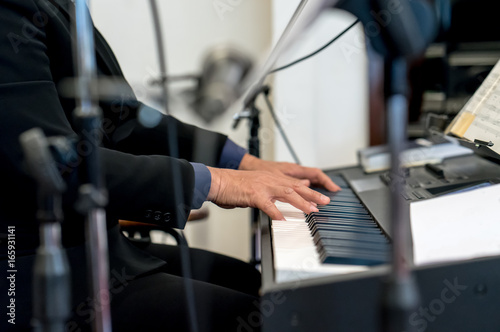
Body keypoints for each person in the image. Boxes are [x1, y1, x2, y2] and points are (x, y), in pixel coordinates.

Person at [0, 0, 340, 331]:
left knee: (249, 281)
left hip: (98, 248)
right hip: (28, 271)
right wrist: (217, 183)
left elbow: (122, 120)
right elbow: (49, 162)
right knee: (256, 316)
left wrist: (244, 162)